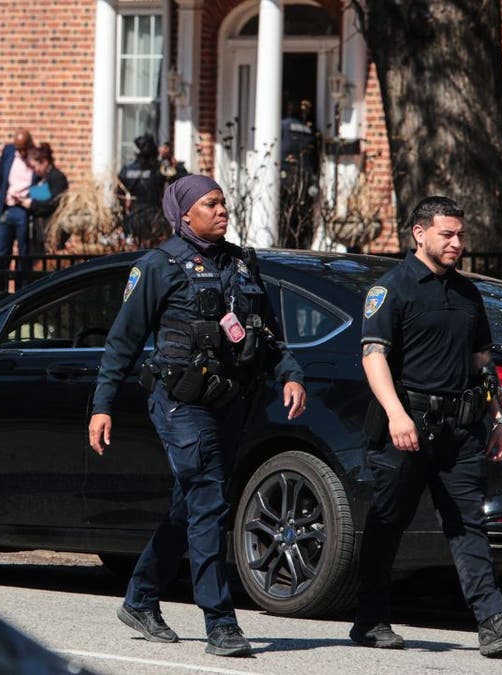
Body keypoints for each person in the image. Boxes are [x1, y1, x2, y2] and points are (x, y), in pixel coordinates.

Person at [88, 174, 307, 657]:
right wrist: (101, 405)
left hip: (230, 402)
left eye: (224, 202)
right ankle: (220, 623)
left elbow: (266, 333)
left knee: (192, 503)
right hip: (180, 403)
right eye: (211, 204)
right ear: (185, 214)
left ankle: (141, 596)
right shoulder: (158, 266)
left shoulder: (242, 264)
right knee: (209, 501)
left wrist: (291, 374)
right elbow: (122, 342)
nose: (222, 210)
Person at [352, 196, 502, 658]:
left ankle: (493, 622)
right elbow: (373, 355)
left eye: (460, 234)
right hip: (407, 426)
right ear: (419, 234)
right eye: (447, 234)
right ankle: (370, 620)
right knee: (388, 524)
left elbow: (482, 362)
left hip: (460, 431)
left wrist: (497, 417)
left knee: (468, 525)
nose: (457, 243)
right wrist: (397, 414)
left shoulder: (467, 293)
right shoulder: (392, 288)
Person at [0, 129, 35, 283]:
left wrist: (28, 197)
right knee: (1, 254)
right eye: (18, 149)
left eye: (23, 149)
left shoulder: (36, 157)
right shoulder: (8, 152)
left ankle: (21, 293)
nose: (20, 152)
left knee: (23, 255)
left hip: (23, 212)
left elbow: (43, 186)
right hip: (5, 209)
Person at [117, 133, 168, 244]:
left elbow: (119, 195)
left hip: (132, 219)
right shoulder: (160, 170)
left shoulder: (126, 170)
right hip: (154, 219)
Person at [18, 143, 69, 253]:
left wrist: (32, 204)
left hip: (52, 231)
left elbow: (54, 202)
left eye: (34, 166)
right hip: (38, 232)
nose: (34, 170)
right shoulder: (38, 179)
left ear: (44, 162)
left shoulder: (57, 177)